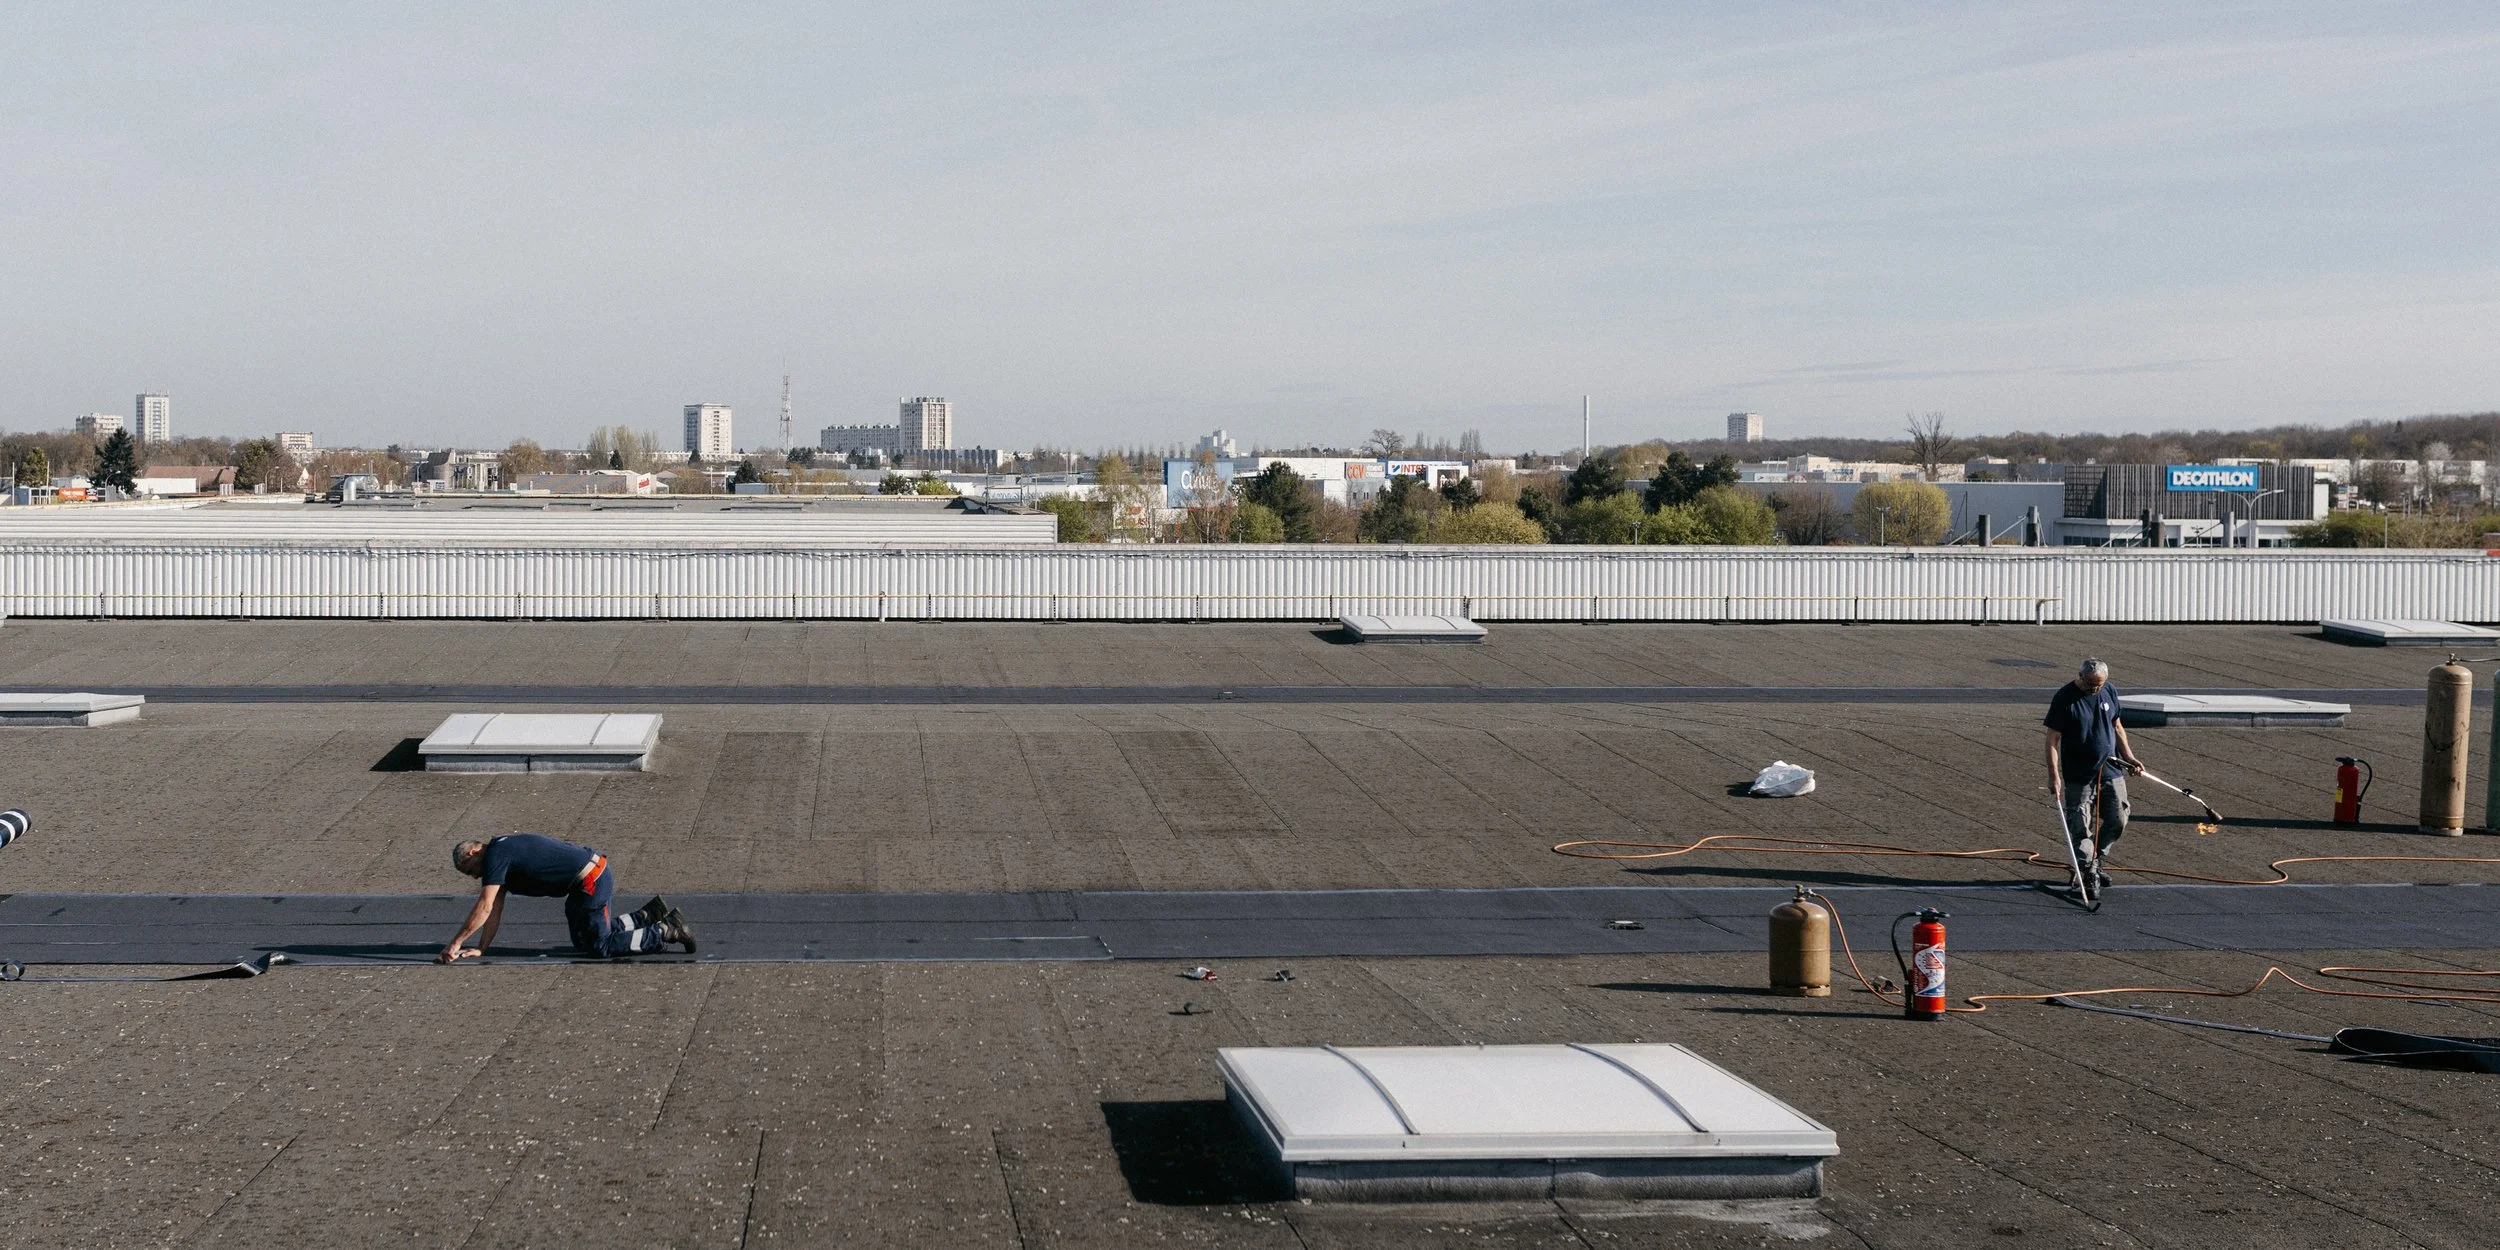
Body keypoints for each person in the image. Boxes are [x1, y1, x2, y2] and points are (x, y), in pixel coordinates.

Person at [440, 833, 693, 963]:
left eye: (470, 869)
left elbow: (484, 907)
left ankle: (666, 930)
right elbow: (494, 909)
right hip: (581, 882)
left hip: (590, 879)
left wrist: (455, 943)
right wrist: (481, 948)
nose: (474, 877)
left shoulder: (496, 856)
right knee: (582, 939)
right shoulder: (501, 854)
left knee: (600, 947)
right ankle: (647, 915)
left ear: (474, 851)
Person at [2043, 658, 2144, 889]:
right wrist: (2054, 775)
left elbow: (2117, 725)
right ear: (2080, 677)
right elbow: (2052, 739)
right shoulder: (2064, 698)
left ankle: (2094, 862)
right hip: (2079, 775)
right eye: (2090, 685)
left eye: (2098, 685)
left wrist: (2128, 757)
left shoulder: (2109, 690)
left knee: (2118, 819)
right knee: (2079, 825)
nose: (2095, 689)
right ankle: (2087, 872)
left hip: (2111, 769)